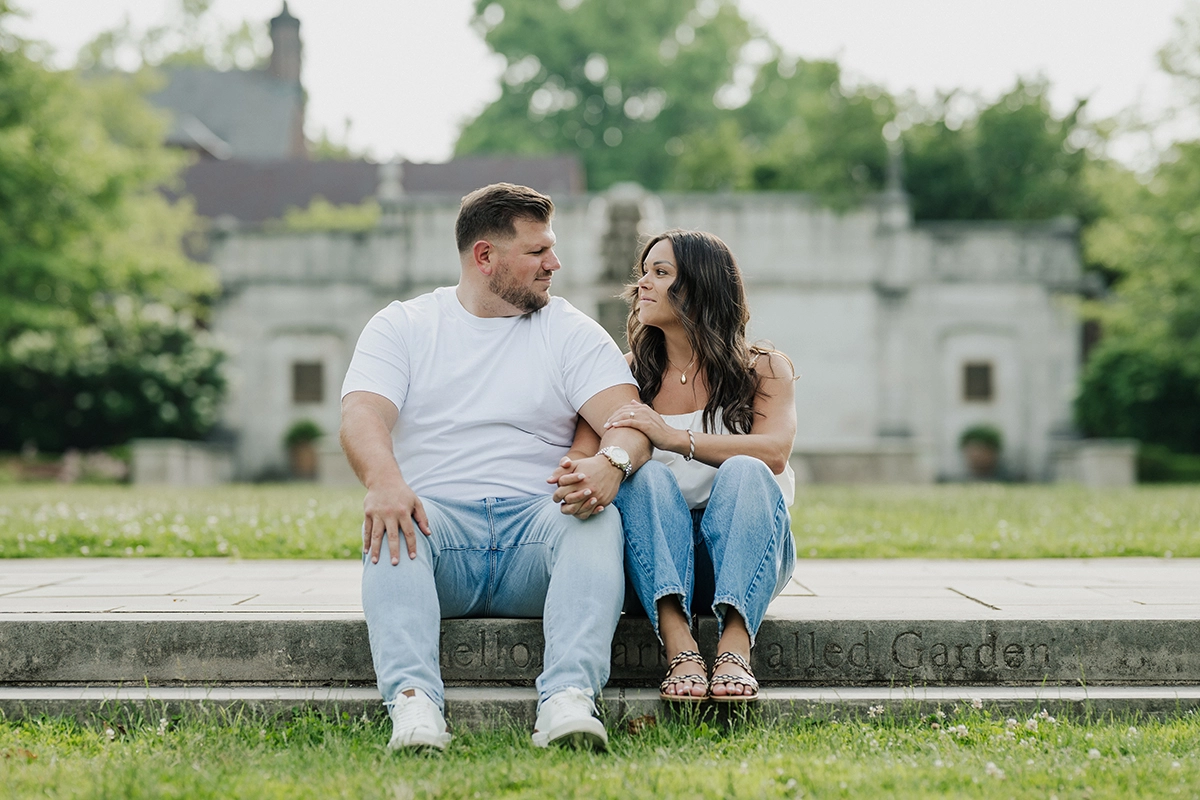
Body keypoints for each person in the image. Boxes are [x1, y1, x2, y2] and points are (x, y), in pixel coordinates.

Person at [339, 183, 651, 752]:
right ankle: (413, 708)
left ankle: (567, 701)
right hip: (439, 532)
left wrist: (612, 461)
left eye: (550, 249)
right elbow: (361, 413)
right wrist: (384, 481)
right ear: (485, 257)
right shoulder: (404, 326)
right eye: (537, 252)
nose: (554, 263)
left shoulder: (569, 330)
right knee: (391, 521)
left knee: (596, 521)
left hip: (537, 529)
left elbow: (629, 418)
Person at [557, 229, 796, 704]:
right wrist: (580, 474)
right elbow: (584, 456)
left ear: (701, 287)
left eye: (660, 273)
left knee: (746, 469)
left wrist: (673, 438)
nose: (642, 283)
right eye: (644, 272)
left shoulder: (763, 367)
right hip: (655, 558)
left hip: (744, 552)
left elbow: (774, 452)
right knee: (643, 476)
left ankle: (735, 643)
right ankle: (679, 642)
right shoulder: (624, 374)